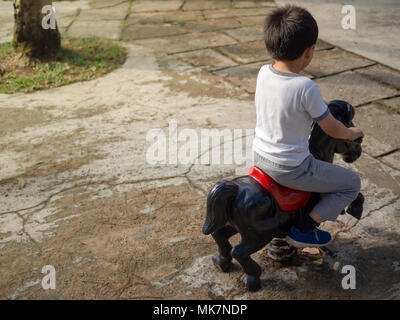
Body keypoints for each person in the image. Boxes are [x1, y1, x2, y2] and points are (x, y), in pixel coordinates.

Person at [253, 5, 364, 247]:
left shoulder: (263, 73)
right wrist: (351, 133)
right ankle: (302, 230)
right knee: (352, 184)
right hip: (293, 167)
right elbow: (331, 128)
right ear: (309, 51)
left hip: (260, 158)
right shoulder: (305, 87)